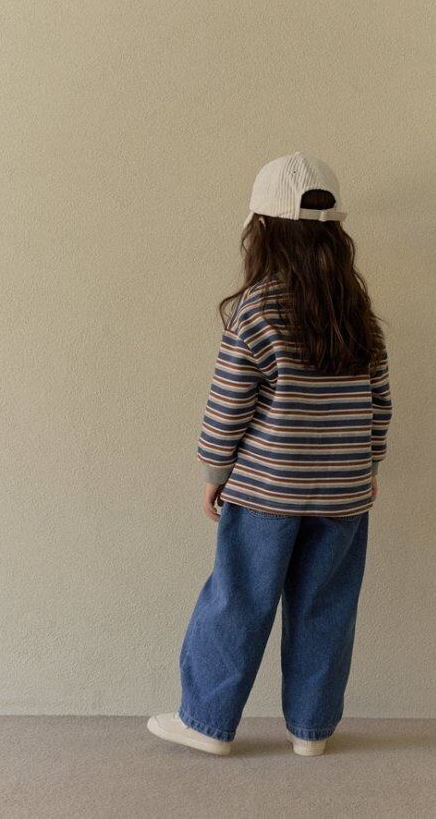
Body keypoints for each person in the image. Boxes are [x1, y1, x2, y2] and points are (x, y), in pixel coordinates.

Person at [148, 152, 393, 756]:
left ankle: (207, 723)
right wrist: (368, 465)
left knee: (238, 600)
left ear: (262, 228)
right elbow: (379, 403)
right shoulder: (357, 314)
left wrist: (215, 471)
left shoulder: (257, 309)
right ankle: (311, 731)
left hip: (266, 491)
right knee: (326, 607)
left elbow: (229, 404)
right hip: (343, 494)